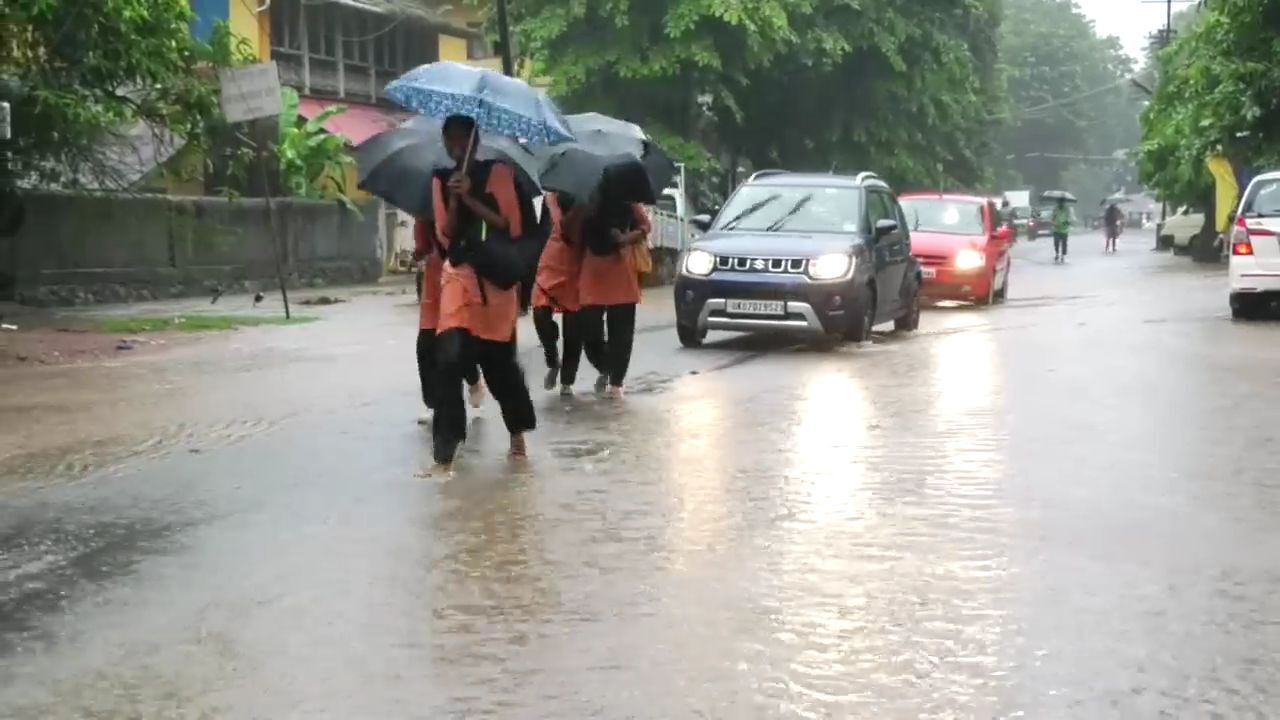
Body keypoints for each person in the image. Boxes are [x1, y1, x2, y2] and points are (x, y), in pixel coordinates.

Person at [431, 115, 536, 465]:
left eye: (464, 140)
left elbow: (512, 224)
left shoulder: (498, 174)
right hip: (459, 275)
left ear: (475, 142)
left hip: (495, 275)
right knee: (447, 355)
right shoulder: (440, 179)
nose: (457, 147)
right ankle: (446, 449)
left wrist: (472, 199)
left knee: (498, 363)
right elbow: (445, 234)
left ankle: (517, 435)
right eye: (451, 141)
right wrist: (455, 198)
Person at [579, 186, 651, 399]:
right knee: (589, 329)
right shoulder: (583, 196)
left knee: (622, 332)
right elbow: (569, 232)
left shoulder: (628, 198)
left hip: (621, 269)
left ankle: (617, 382)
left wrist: (626, 238)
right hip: (592, 270)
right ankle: (606, 366)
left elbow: (645, 225)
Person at [531, 192, 606, 395]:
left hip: (578, 266)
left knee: (574, 330)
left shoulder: (596, 200)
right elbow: (561, 227)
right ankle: (552, 359)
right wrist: (580, 208)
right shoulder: (552, 198)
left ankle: (567, 380)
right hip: (551, 263)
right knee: (540, 313)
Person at [413, 217, 484, 426]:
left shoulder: (464, 201)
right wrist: (419, 252)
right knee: (425, 345)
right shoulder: (424, 210)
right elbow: (422, 247)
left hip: (460, 276)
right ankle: (433, 403)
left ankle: (473, 380)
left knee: (458, 341)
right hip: (434, 279)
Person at [1051, 198, 1072, 264]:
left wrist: (1066, 223)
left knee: (1064, 243)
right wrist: (1054, 223)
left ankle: (1063, 255)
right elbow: (1052, 217)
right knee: (1056, 242)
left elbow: (1070, 218)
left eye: (1061, 202)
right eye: (1059, 202)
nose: (1060, 203)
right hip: (1056, 229)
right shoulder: (1055, 209)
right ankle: (1057, 253)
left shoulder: (1067, 209)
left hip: (1064, 230)